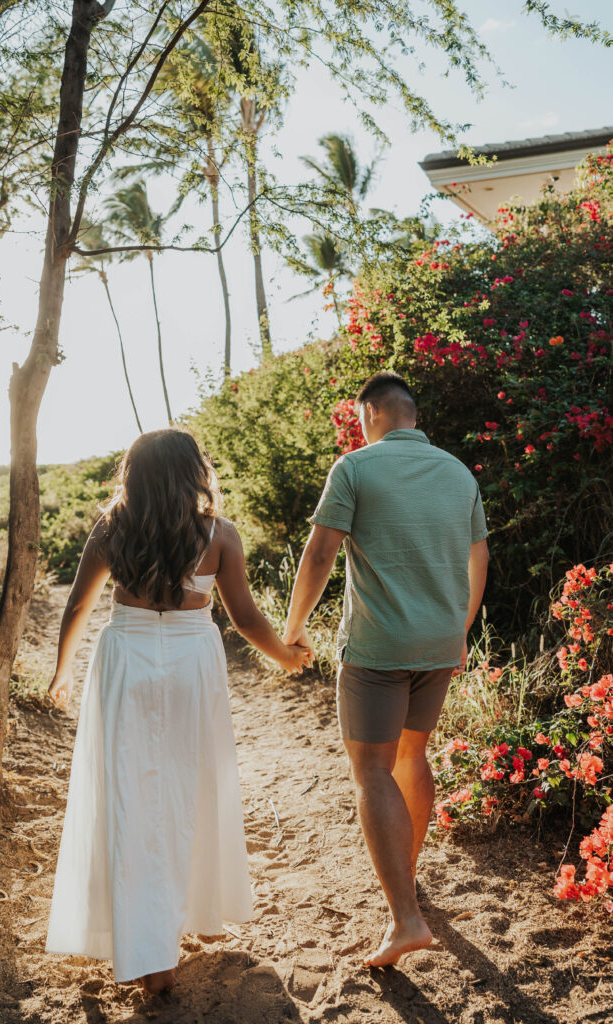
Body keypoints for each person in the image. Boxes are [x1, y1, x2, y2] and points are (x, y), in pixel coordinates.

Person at [45, 429, 310, 995]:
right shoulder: (218, 534)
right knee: (185, 792)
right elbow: (245, 619)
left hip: (125, 660)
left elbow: (77, 605)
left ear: (134, 474)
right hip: (191, 663)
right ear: (194, 471)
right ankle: (165, 934)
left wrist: (62, 670)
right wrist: (285, 656)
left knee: (130, 796)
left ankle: (148, 947)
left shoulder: (112, 528)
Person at [283, 371, 490, 968]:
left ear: (370, 412)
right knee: (411, 757)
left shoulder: (355, 467)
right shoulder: (457, 472)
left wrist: (293, 630)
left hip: (378, 647)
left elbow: (321, 552)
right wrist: (462, 627)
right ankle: (409, 882)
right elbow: (479, 555)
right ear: (412, 414)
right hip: (439, 643)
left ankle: (405, 917)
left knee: (372, 771)